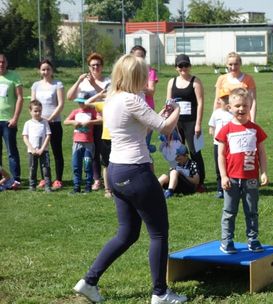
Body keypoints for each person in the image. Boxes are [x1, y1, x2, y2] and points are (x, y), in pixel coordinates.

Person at [73, 54, 187, 304]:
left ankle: (89, 281)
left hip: (116, 171)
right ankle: (160, 293)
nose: (147, 78)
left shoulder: (113, 98)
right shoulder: (133, 99)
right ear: (136, 76)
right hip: (136, 172)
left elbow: (143, 125)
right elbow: (165, 128)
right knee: (158, 233)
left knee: (127, 234)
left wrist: (160, 113)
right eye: (144, 74)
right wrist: (177, 110)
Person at [215, 87, 268, 254]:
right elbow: (221, 155)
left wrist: (264, 172)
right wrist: (223, 176)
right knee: (229, 211)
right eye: (237, 105)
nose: (241, 109)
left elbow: (262, 152)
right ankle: (227, 241)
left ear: (250, 105)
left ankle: (253, 239)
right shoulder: (226, 130)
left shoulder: (255, 129)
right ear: (229, 107)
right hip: (232, 179)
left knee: (251, 210)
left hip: (251, 178)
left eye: (245, 105)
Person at [67, 52, 111, 191]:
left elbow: (109, 95)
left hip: (103, 121)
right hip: (86, 123)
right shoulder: (84, 83)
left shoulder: (107, 81)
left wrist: (94, 84)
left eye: (98, 65)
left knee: (103, 150)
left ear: (102, 66)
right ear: (89, 67)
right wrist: (79, 81)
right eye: (92, 65)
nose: (95, 68)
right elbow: (69, 96)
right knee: (90, 152)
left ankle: (107, 178)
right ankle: (96, 179)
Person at [167, 54, 206, 190]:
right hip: (177, 123)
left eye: (186, 65)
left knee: (195, 151)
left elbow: (200, 103)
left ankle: (199, 181)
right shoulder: (171, 82)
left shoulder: (195, 81)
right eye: (180, 66)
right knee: (175, 151)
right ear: (176, 68)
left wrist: (198, 124)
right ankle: (175, 179)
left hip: (191, 122)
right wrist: (169, 123)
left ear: (190, 66)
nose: (183, 68)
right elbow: (169, 104)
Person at [31, 59, 65, 190]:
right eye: (43, 69)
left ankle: (58, 179)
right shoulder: (35, 85)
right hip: (39, 124)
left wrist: (50, 118)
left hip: (54, 122)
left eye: (48, 69)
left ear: (52, 70)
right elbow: (33, 104)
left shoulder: (58, 84)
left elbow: (61, 104)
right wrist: (38, 118)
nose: (45, 72)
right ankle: (44, 179)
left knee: (57, 151)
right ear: (40, 71)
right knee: (41, 151)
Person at [64, 93, 100, 194]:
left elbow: (101, 120)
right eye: (79, 102)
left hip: (88, 143)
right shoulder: (75, 112)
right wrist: (73, 122)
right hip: (77, 143)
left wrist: (90, 122)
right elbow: (65, 121)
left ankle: (88, 185)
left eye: (82, 102)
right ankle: (77, 186)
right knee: (76, 165)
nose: (81, 104)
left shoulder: (92, 112)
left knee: (88, 164)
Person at [213, 52, 258, 122]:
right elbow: (217, 101)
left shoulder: (248, 79)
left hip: (243, 118)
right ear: (226, 65)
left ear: (240, 64)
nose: (233, 67)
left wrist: (253, 120)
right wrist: (214, 120)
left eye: (236, 64)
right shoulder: (221, 79)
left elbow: (253, 101)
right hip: (225, 119)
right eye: (230, 64)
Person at [84, 90, 113, 198]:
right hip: (106, 138)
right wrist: (99, 95)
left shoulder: (120, 103)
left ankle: (117, 188)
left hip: (118, 138)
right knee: (106, 165)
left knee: (118, 164)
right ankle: (107, 189)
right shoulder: (103, 104)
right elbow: (86, 103)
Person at [131, 45, 158, 153]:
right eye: (137, 56)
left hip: (146, 110)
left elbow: (151, 92)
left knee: (144, 147)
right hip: (131, 110)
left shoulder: (150, 72)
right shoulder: (128, 71)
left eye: (142, 56)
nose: (139, 59)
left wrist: (136, 87)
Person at [0, 53, 23, 185]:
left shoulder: (14, 76)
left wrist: (15, 118)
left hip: (8, 121)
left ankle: (16, 178)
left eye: (3, 62)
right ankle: (2, 178)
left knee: (11, 151)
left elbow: (20, 98)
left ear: (7, 63)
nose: (1, 64)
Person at [22, 100, 52, 192]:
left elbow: (48, 135)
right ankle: (32, 186)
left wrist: (42, 149)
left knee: (46, 168)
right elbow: (25, 137)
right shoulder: (28, 123)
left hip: (44, 150)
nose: (38, 113)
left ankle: (47, 186)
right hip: (32, 151)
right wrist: (31, 149)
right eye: (35, 111)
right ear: (30, 111)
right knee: (32, 168)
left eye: (39, 111)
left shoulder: (45, 122)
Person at [208, 89, 233, 199]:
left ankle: (233, 187)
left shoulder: (233, 113)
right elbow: (211, 127)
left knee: (230, 166)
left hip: (231, 144)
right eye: (224, 99)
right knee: (219, 166)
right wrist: (214, 135)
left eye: (228, 99)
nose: (226, 101)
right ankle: (220, 189)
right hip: (218, 144)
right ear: (219, 100)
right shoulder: (216, 113)